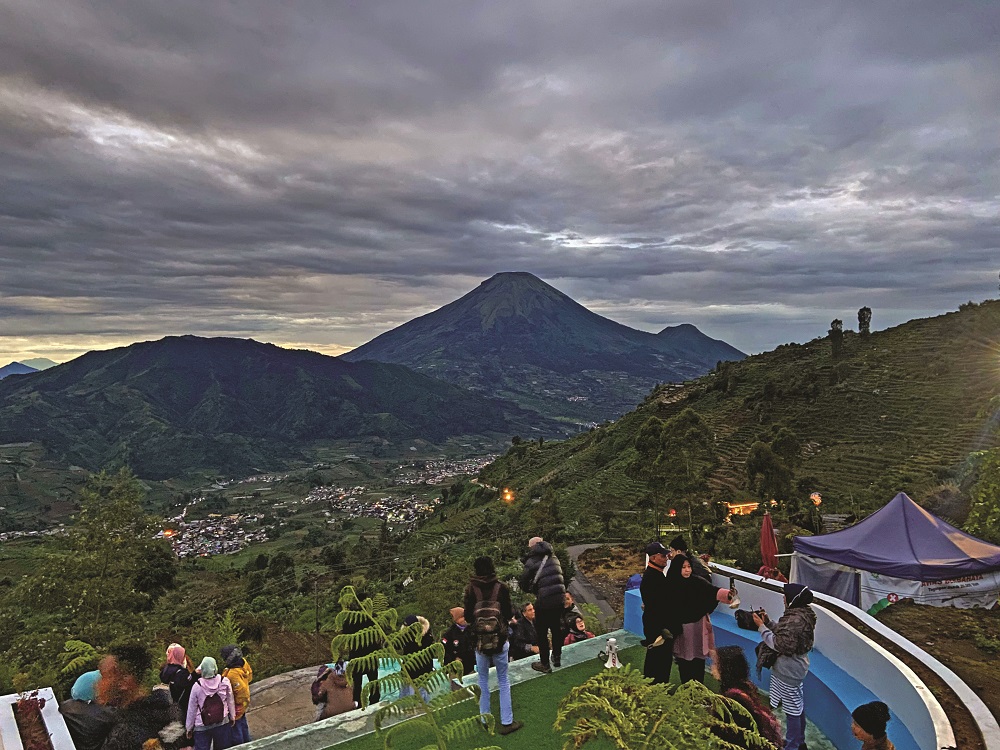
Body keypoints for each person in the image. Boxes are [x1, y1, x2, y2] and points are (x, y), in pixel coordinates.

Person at [752, 583, 818, 750]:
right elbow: (786, 636)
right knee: (796, 705)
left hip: (788, 670)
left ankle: (793, 745)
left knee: (792, 710)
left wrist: (761, 627)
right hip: (796, 668)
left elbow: (779, 644)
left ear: (792, 598)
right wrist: (768, 622)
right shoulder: (802, 615)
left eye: (785, 595)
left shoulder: (794, 619)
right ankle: (799, 741)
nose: (783, 598)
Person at [464, 555, 522, 736]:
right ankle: (507, 722)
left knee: (482, 680)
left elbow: (467, 617)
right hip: (500, 640)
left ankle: (484, 719)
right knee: (503, 679)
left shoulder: (470, 589)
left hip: (480, 643)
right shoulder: (501, 587)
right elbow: (507, 612)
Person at [668, 553, 734, 683]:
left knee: (698, 659)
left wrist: (728, 594)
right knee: (685, 660)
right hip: (683, 630)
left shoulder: (697, 582)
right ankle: (687, 688)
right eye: (683, 567)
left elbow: (712, 591)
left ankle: (699, 687)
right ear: (677, 568)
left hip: (698, 626)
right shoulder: (671, 586)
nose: (687, 570)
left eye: (689, 567)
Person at [711, 645, 783, 749]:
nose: (712, 667)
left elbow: (731, 734)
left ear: (726, 668)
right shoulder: (745, 687)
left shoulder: (732, 699)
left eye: (715, 664)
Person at [517, 536, 567, 673]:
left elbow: (523, 582)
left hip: (544, 601)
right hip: (560, 599)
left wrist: (533, 590)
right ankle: (556, 658)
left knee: (542, 633)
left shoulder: (532, 560)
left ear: (532, 547)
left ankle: (544, 663)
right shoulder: (554, 557)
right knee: (556, 629)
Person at [640, 541, 675, 685]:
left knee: (658, 660)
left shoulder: (656, 575)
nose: (666, 558)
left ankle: (655, 687)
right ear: (653, 558)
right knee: (659, 661)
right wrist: (661, 629)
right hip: (658, 628)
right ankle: (656, 690)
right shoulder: (652, 578)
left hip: (657, 626)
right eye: (663, 555)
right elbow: (655, 607)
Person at [186, 656, 236, 750]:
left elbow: (192, 709)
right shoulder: (224, 681)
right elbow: (230, 700)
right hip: (222, 721)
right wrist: (232, 716)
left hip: (202, 725)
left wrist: (189, 728)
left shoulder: (197, 686)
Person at [342, 603, 381, 707]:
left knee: (357, 682)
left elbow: (345, 636)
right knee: (373, 680)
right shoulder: (370, 619)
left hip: (356, 656)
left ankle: (358, 703)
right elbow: (377, 634)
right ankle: (374, 701)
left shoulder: (348, 622)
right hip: (370, 655)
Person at [220, 645, 252, 744]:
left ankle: (240, 745)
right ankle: (248, 742)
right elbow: (250, 676)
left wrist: (236, 704)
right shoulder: (243, 663)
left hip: (235, 706)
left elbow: (241, 692)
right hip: (243, 705)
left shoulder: (232, 674)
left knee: (236, 729)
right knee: (243, 724)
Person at [399, 614, 434, 700]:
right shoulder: (406, 636)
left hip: (422, 669)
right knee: (406, 693)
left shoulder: (425, 638)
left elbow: (428, 654)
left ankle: (422, 708)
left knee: (421, 692)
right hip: (408, 669)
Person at [160, 644, 196, 715]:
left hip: (168, 705)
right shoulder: (182, 673)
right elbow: (190, 686)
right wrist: (195, 675)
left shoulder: (165, 669)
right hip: (182, 707)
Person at [441, 606, 476, 675]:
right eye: (462, 617)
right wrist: (454, 659)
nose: (465, 620)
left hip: (469, 668)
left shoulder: (472, 630)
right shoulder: (450, 633)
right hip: (455, 669)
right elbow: (444, 649)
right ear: (456, 619)